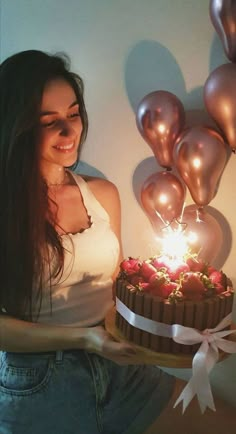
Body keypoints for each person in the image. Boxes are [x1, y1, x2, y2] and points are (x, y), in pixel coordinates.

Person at [0, 50, 235, 434]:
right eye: (49, 122)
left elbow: (121, 290)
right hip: (40, 383)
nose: (69, 131)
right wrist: (86, 340)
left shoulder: (102, 194)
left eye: (73, 114)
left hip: (120, 367)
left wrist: (190, 326)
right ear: (17, 126)